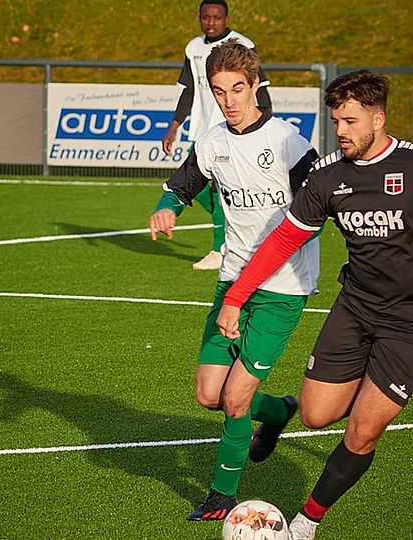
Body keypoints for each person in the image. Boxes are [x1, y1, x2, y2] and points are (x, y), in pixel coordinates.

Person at [215, 70, 413, 539]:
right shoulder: (328, 176)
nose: (340, 131)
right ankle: (311, 403)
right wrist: (236, 299)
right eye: (336, 121)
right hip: (356, 306)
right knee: (315, 415)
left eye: (350, 121)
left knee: (362, 431)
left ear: (378, 119)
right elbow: (284, 240)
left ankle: (306, 523)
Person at [149, 39, 319, 521]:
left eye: (237, 89)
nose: (228, 101)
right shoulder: (212, 142)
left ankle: (221, 495)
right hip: (231, 282)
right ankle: (280, 412)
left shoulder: (288, 143)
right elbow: (181, 186)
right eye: (219, 91)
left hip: (283, 287)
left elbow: (319, 206)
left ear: (255, 87)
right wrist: (166, 210)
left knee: (234, 396)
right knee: (209, 394)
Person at [161, 0, 272, 270]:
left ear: (226, 18)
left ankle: (219, 250)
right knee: (197, 187)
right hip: (200, 132)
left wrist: (265, 123)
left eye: (217, 17)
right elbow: (189, 91)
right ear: (199, 18)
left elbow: (261, 88)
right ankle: (240, 223)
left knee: (224, 189)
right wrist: (174, 126)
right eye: (206, 17)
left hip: (232, 129)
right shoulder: (193, 48)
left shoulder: (242, 43)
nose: (211, 22)